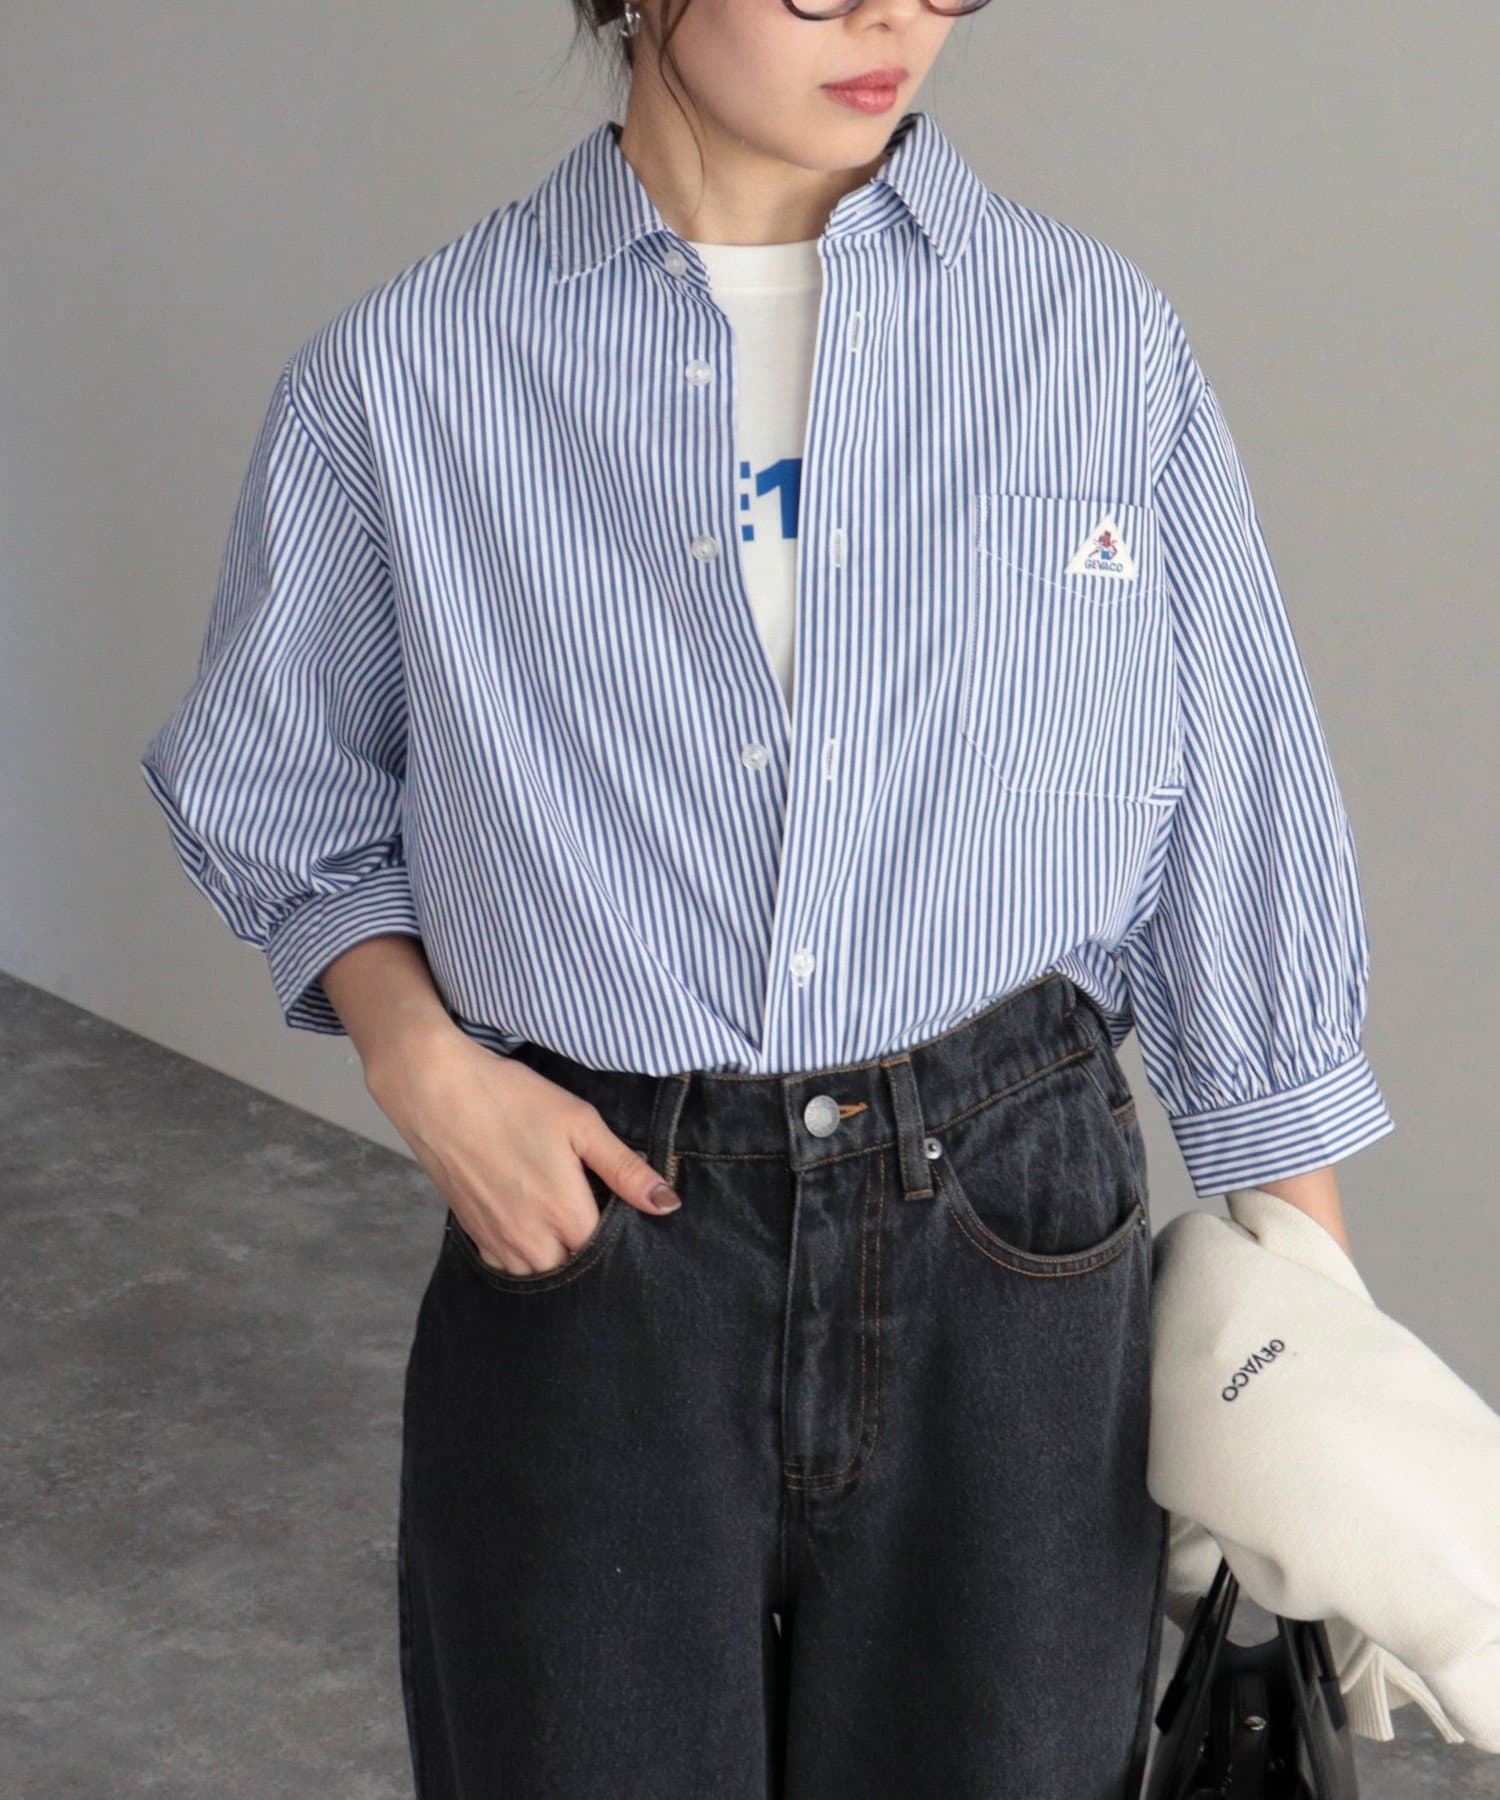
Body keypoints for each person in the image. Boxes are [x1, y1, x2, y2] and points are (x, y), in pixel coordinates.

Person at [139, 0, 1397, 1792]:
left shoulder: (1091, 337)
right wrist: (421, 1064)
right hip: (600, 1236)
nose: (894, 18)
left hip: (1013, 1247)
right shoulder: (412, 369)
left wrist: (1314, 1315)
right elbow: (280, 783)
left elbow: (1236, 804)